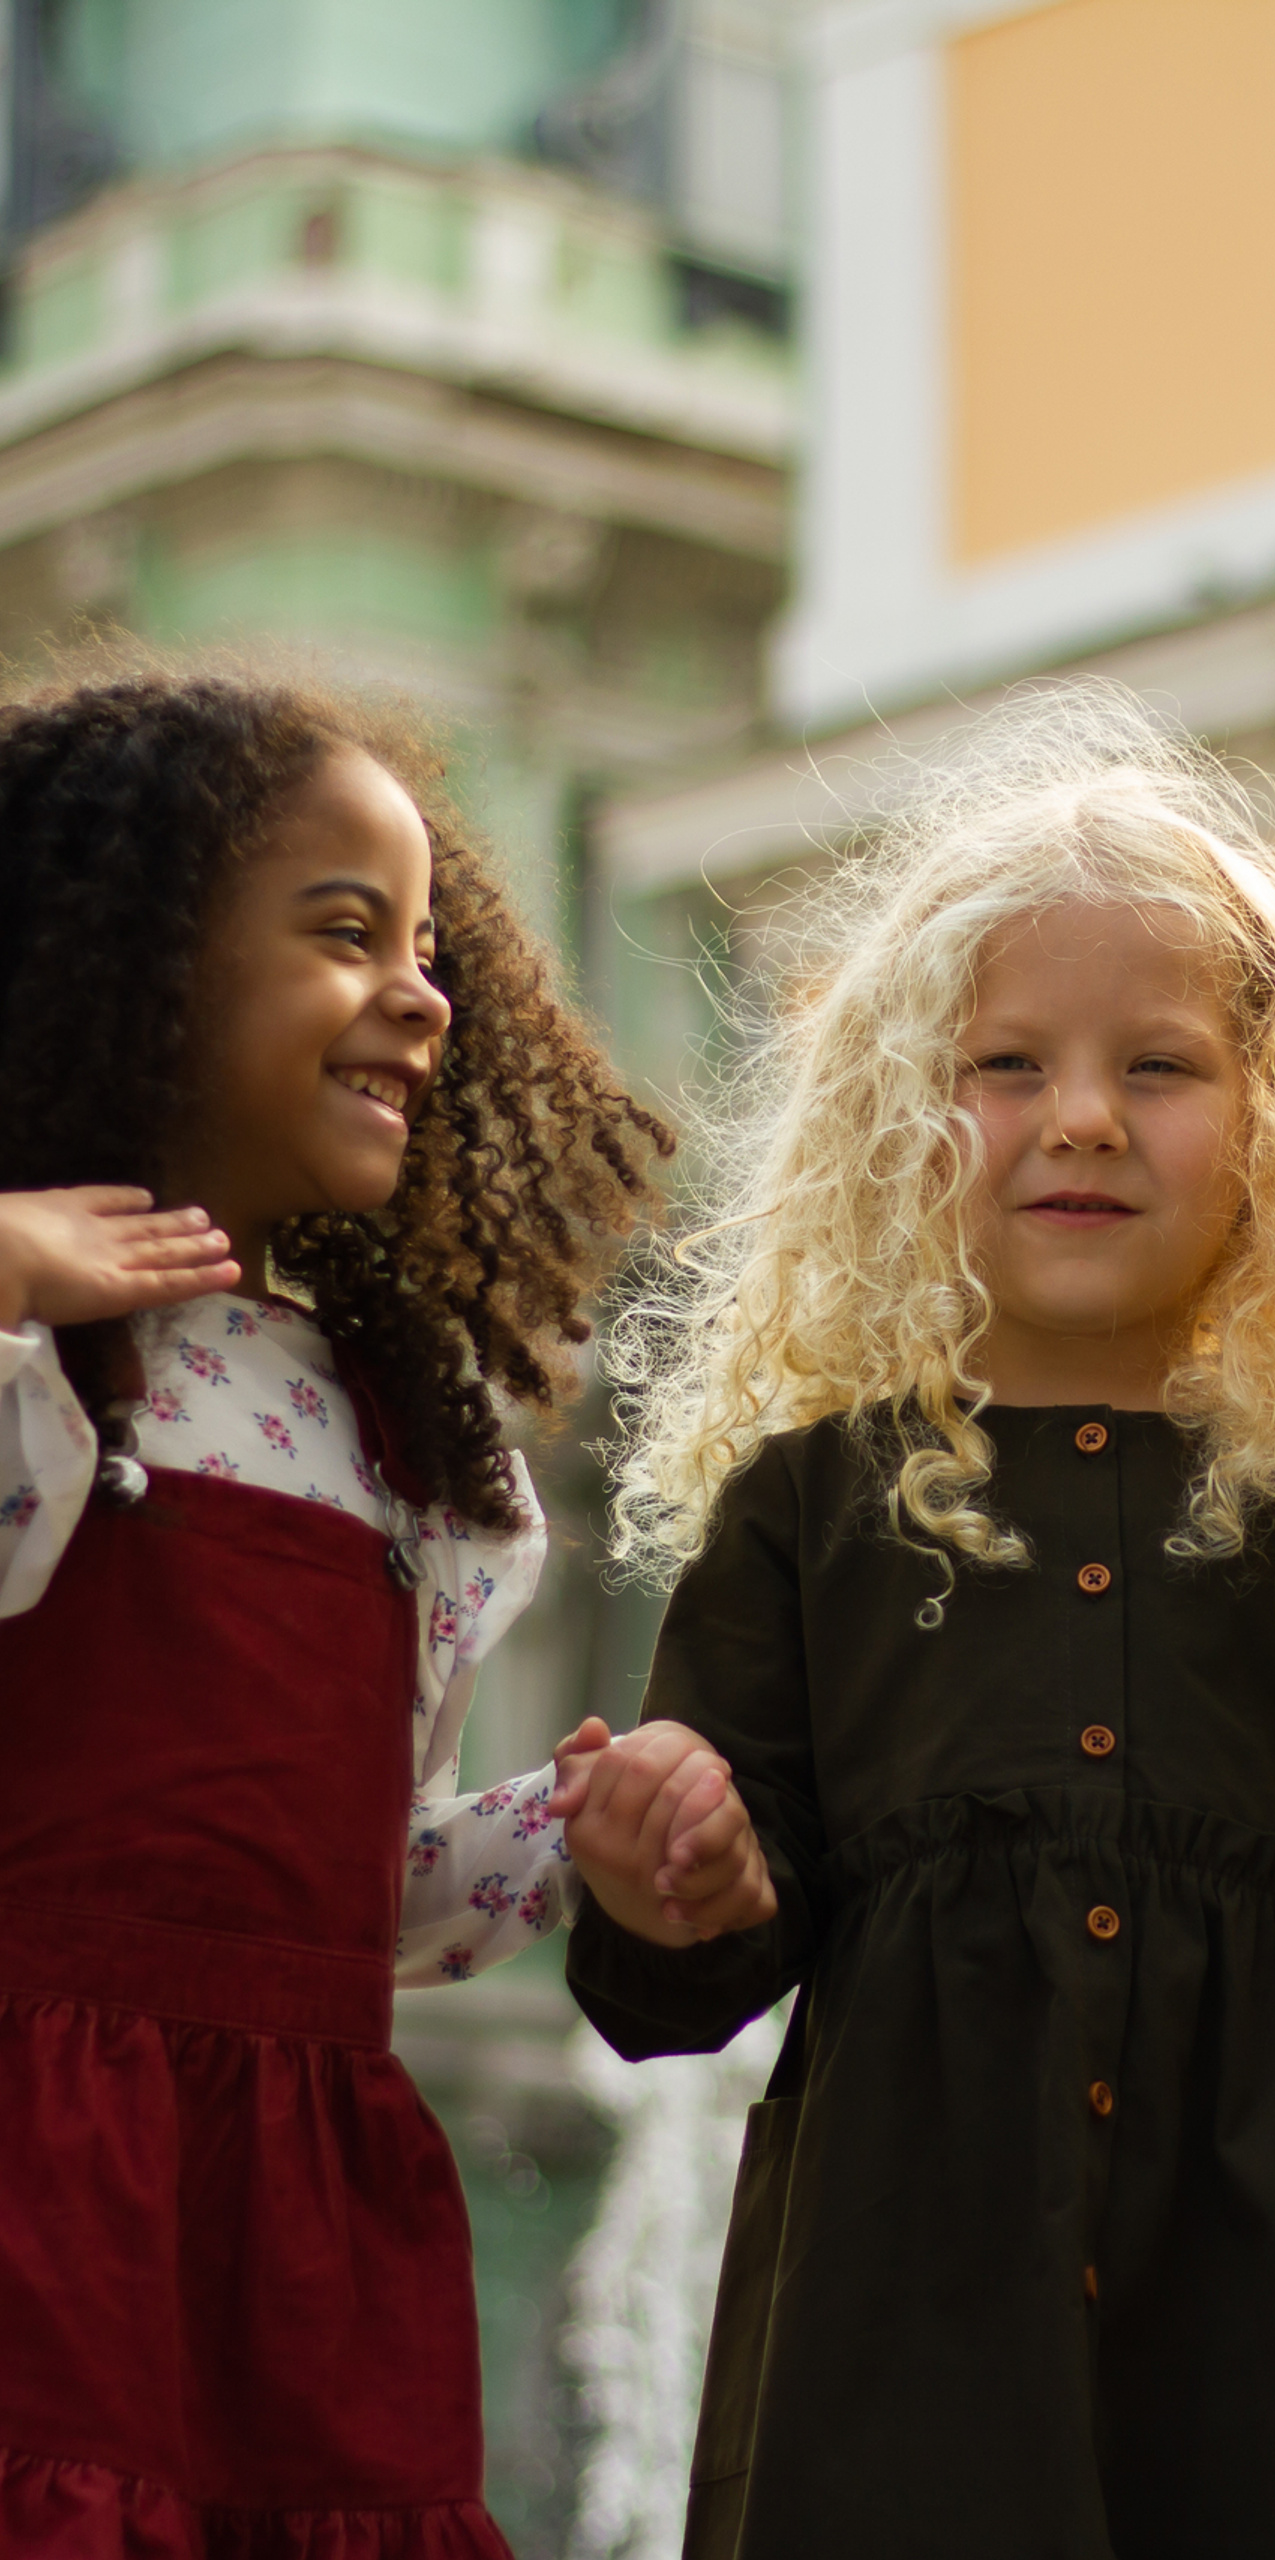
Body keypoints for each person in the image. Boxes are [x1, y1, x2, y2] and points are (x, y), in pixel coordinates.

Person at [563, 687, 1275, 2560]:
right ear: (899, 1123)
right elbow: (693, 1961)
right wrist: (669, 1875)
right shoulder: (815, 1506)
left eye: (1164, 1067)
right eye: (1009, 1065)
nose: (1086, 1119)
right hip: (900, 2402)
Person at [0, 666, 761, 2553]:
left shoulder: (402, 1443)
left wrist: (558, 1838)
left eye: (430, 946)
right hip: (36, 2171)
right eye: (348, 935)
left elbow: (351, 1890)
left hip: (303, 2202)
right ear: (143, 965)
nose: (420, 995)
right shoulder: (43, 1355)